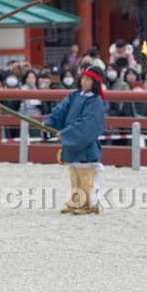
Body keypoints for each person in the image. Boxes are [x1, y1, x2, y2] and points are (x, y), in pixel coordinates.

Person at [45, 66, 106, 216]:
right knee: (75, 173)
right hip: (72, 139)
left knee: (86, 174)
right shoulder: (74, 96)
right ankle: (76, 201)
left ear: (95, 83)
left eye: (88, 79)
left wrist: (65, 134)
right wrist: (50, 122)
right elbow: (61, 110)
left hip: (86, 143)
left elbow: (87, 125)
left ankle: (89, 204)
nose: (84, 82)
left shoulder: (96, 102)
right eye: (83, 78)